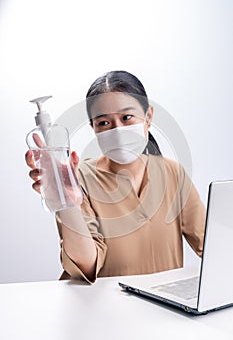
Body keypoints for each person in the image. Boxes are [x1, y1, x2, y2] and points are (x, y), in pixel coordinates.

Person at [25, 70, 206, 283]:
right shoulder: (77, 179)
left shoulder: (173, 174)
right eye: (104, 122)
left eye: (126, 117)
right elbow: (86, 266)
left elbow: (211, 246)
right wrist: (68, 205)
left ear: (148, 117)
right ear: (93, 127)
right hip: (103, 310)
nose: (118, 129)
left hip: (164, 310)